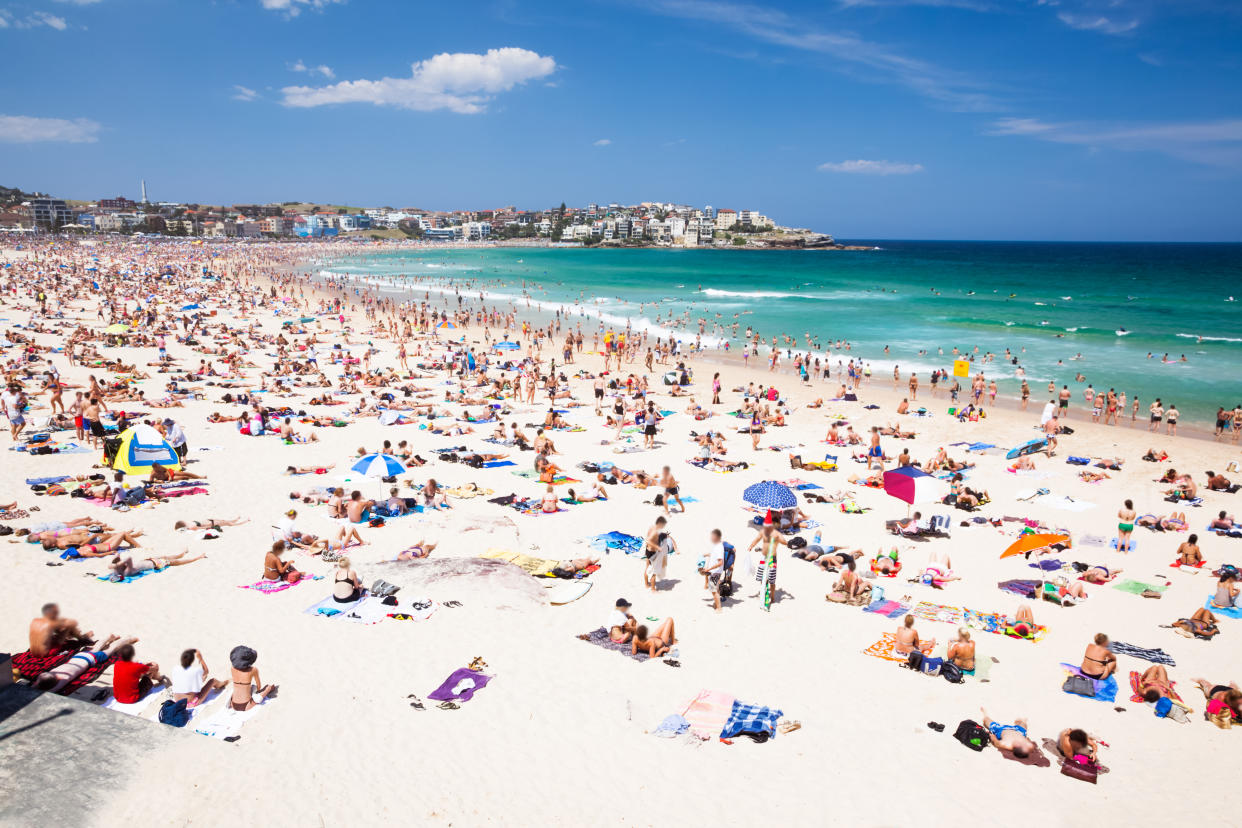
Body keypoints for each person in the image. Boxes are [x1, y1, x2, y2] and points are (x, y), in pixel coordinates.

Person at [33, 634, 133, 692]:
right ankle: (109, 637)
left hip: (91, 660)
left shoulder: (63, 679)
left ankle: (127, 639)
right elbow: (41, 678)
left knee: (111, 650)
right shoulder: (53, 671)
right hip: (77, 657)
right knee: (96, 647)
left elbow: (51, 689)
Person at [747, 511, 788, 610]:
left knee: (772, 580)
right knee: (762, 577)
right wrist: (751, 546)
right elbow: (756, 539)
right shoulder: (763, 532)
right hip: (763, 558)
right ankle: (764, 591)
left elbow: (784, 542)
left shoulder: (777, 534)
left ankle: (772, 597)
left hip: (772, 559)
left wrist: (779, 539)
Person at [228, 645, 276, 712]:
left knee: (246, 688)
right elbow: (259, 687)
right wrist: (260, 691)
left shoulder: (232, 669)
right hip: (246, 705)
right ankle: (269, 689)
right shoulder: (253, 670)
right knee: (267, 688)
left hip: (233, 704)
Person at [108, 549, 204, 581]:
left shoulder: (117, 570)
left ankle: (181, 554)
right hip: (155, 564)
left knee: (165, 556)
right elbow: (128, 558)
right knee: (174, 562)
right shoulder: (127, 572)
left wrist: (116, 561)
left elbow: (114, 561)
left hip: (147, 560)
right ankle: (196, 558)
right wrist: (118, 563)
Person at [698, 529, 728, 612]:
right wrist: (705, 554)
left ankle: (719, 608)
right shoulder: (717, 546)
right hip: (715, 572)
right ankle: (716, 604)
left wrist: (709, 569)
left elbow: (720, 562)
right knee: (715, 589)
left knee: (713, 590)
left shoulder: (719, 547)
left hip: (715, 572)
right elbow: (714, 555)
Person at [643, 516, 675, 592]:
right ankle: (653, 589)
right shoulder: (655, 531)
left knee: (647, 567)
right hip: (653, 552)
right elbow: (648, 540)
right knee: (654, 572)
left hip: (647, 550)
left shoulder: (652, 528)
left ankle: (646, 584)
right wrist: (658, 547)